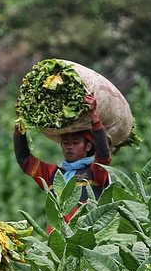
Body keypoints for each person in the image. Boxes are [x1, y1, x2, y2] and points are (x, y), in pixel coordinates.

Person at [13, 93, 112, 223]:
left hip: (88, 239)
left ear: (88, 146)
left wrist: (94, 116)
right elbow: (24, 160)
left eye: (75, 143)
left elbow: (104, 154)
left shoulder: (95, 171)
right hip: (59, 241)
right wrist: (20, 123)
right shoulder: (52, 173)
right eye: (66, 143)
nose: (69, 147)